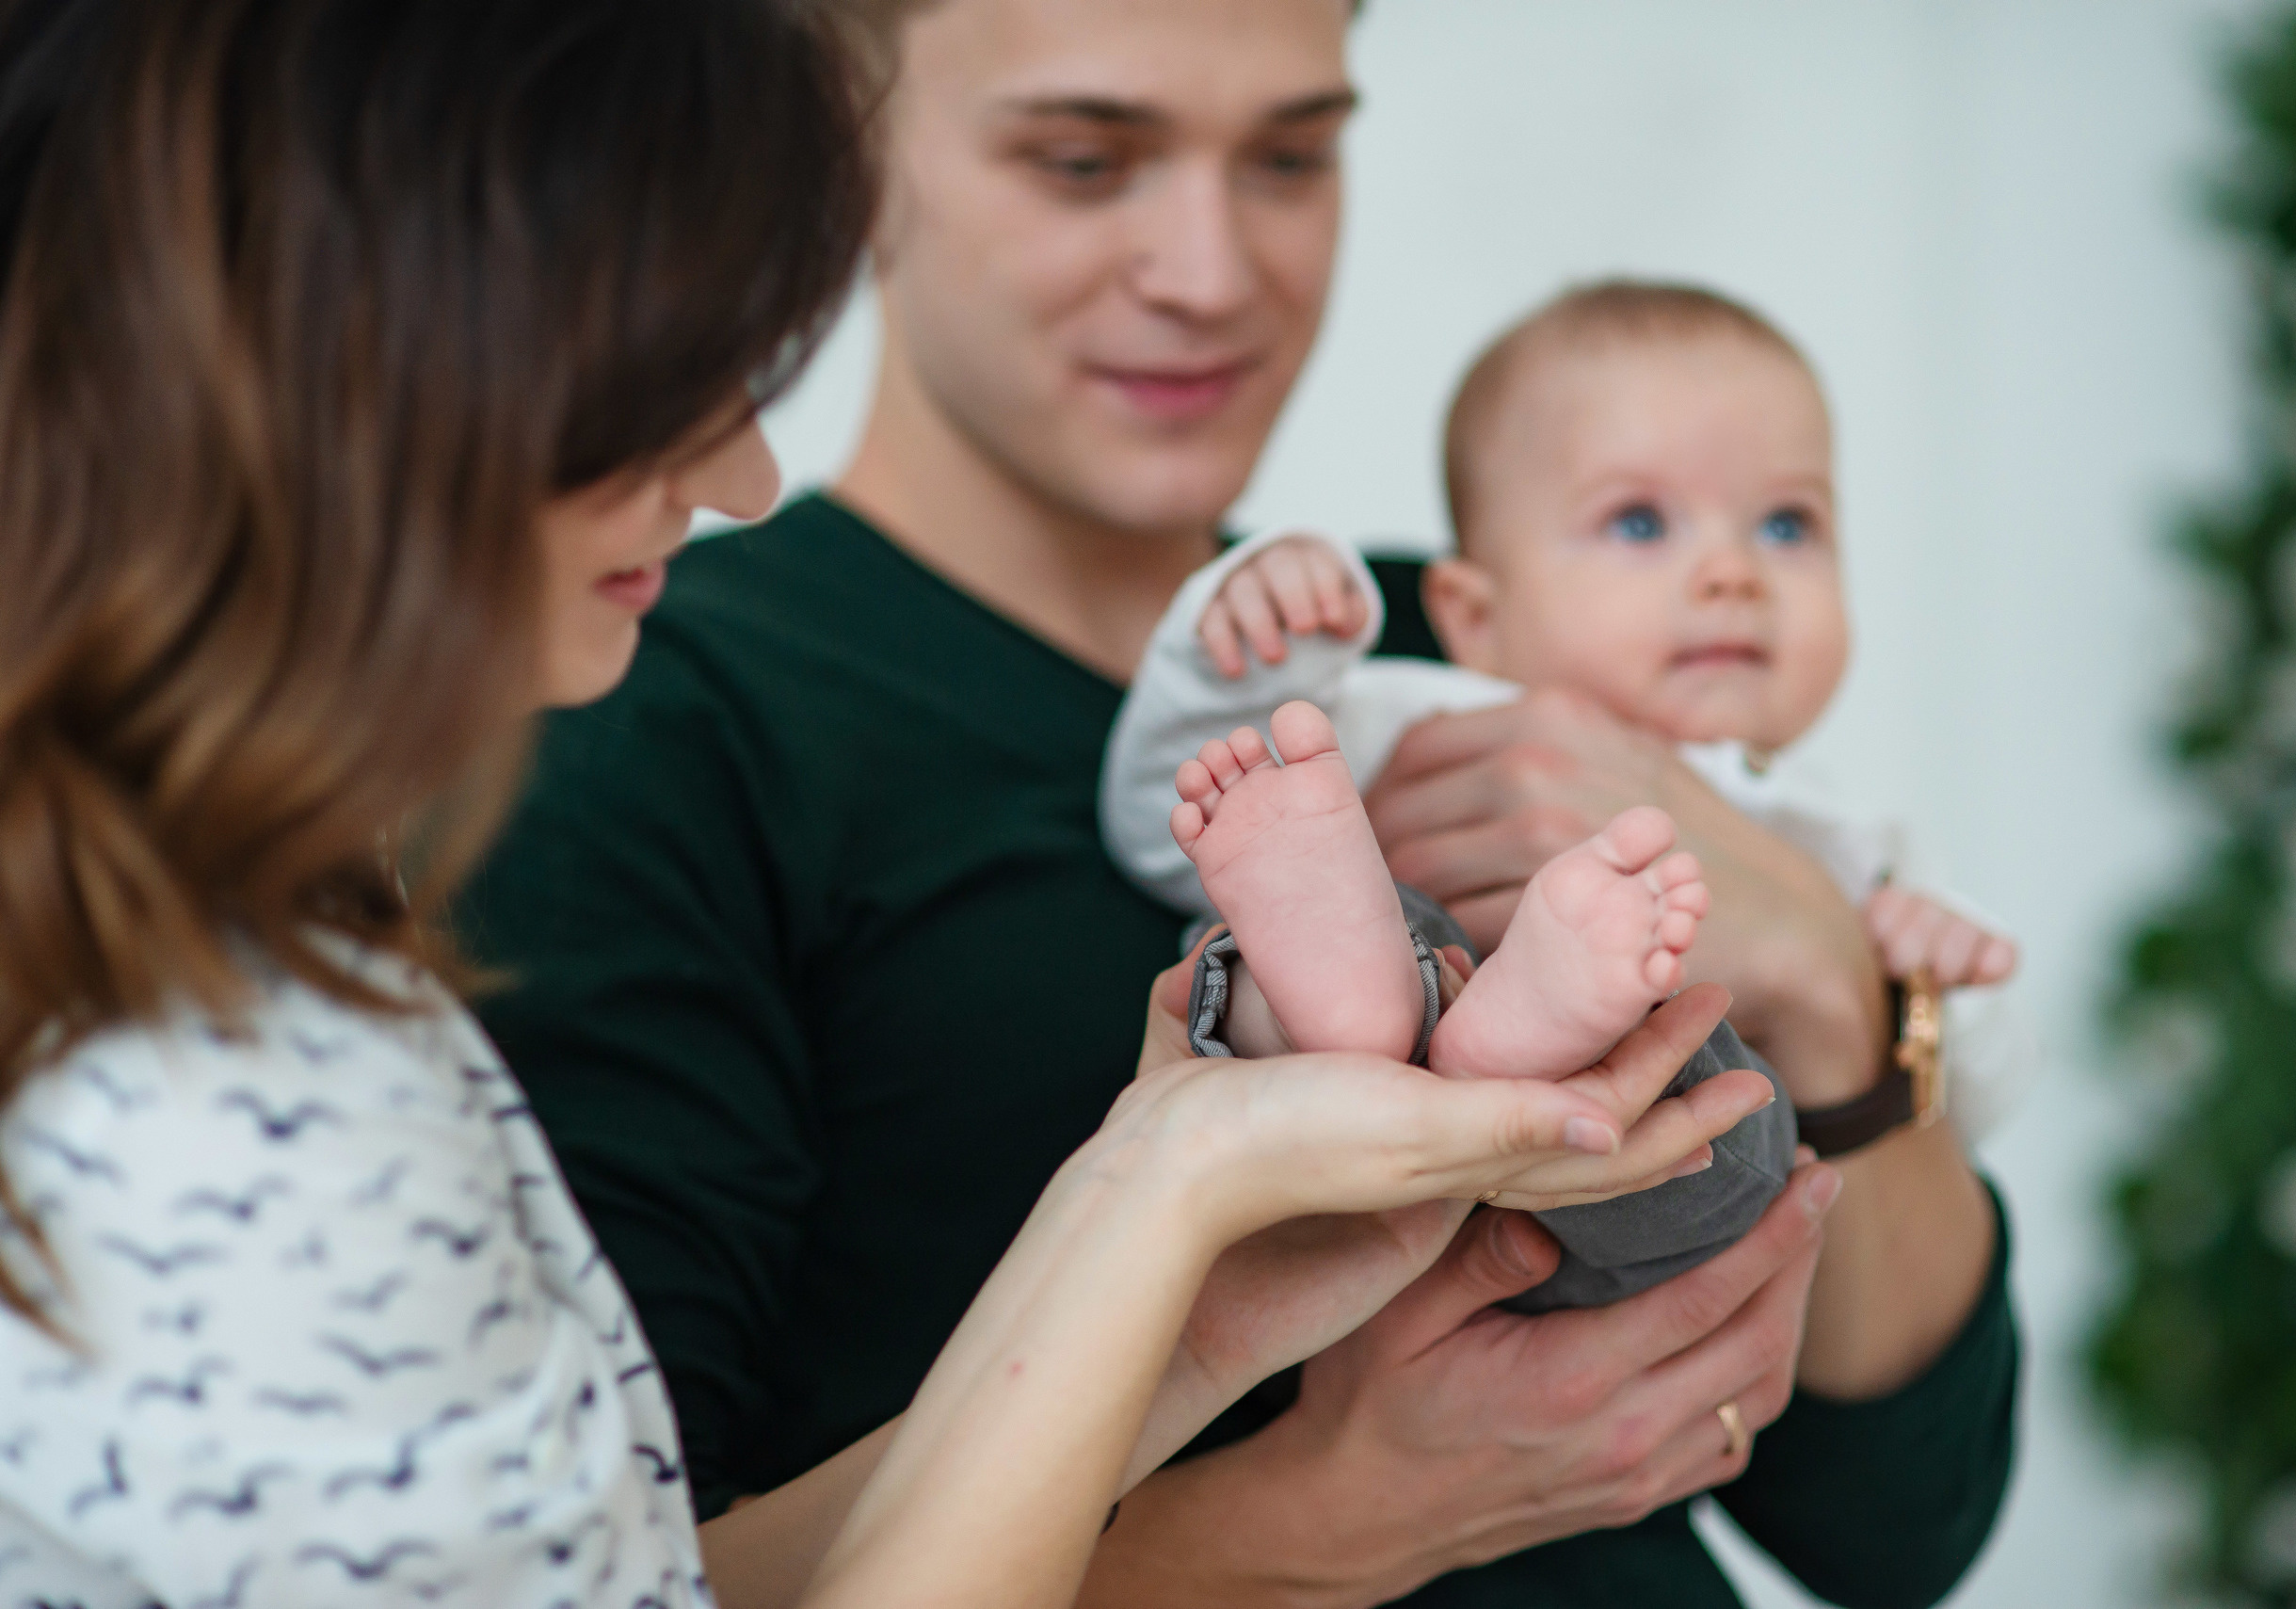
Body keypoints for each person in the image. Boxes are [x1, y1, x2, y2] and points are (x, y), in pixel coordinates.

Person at [0, 2, 1770, 1605]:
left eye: (1298, 151)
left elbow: (638, 1581)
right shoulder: (229, 1119)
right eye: (673, 381)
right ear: (388, 366)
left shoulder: (299, 985)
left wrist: (1180, 1267)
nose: (744, 476)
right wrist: (1193, 1259)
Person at [460, 2, 2019, 1604]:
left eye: (1289, 155)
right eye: (1083, 159)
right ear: (843, 152)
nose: (1209, 272)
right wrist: (1328, 1519)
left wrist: (1833, 985)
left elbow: (1899, 1527)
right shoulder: (638, 715)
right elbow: (635, 1576)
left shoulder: (1481, 649)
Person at [1105, 280, 2033, 1308]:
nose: (1731, 571)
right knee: (1266, 952)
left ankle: (1552, 1031)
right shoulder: (1410, 712)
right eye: (1639, 522)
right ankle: (1365, 996)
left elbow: (1977, 1103)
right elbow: (1165, 829)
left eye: (1784, 525)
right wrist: (1235, 656)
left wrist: (1896, 964)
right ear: (1472, 615)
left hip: (1617, 1222)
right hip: (1344, 1196)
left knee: (1721, 1097)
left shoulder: (1834, 837)